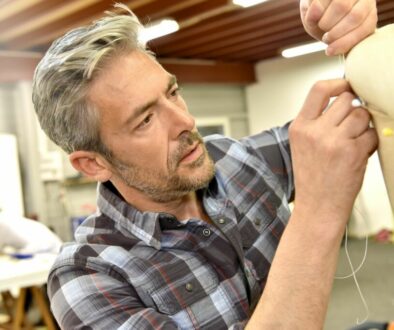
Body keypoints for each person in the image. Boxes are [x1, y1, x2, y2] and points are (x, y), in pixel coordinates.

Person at [31, 1, 378, 329]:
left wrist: (354, 32)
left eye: (172, 92)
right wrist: (319, 212)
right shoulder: (89, 278)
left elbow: (344, 127)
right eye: (146, 120)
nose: (185, 120)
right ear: (92, 164)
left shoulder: (232, 159)